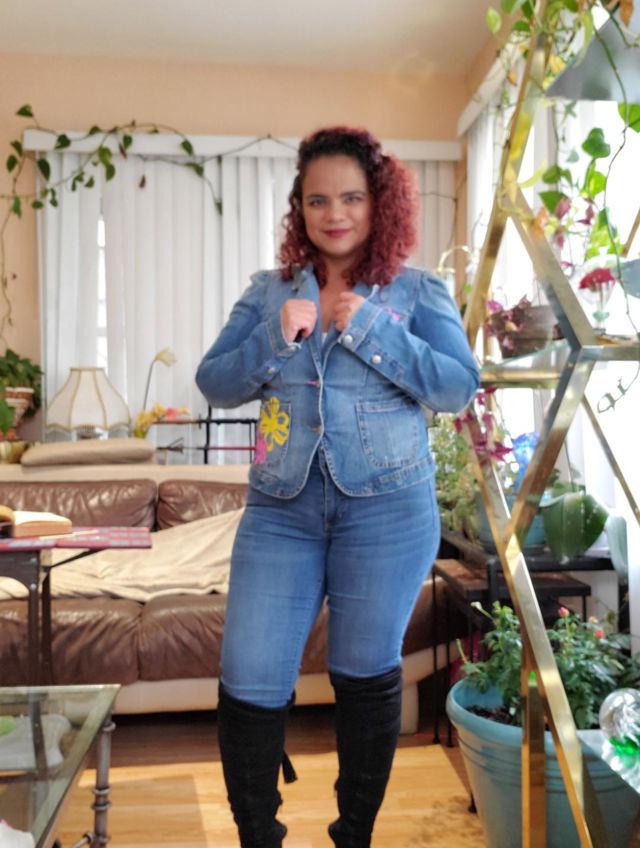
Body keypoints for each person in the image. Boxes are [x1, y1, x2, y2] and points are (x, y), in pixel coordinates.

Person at [195, 126, 479, 848]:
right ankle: (258, 837)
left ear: (379, 203)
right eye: (317, 200)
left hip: (388, 513)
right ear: (300, 207)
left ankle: (353, 835)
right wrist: (272, 339)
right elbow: (215, 382)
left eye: (351, 197)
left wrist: (376, 330)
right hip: (280, 511)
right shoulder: (268, 292)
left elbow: (456, 388)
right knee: (249, 673)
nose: (335, 214)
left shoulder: (417, 291)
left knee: (363, 670)